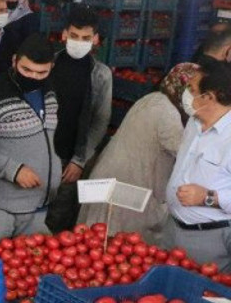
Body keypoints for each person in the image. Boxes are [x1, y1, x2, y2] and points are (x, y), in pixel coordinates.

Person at [79, 64, 194, 243]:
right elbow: (186, 153)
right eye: (193, 90)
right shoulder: (167, 113)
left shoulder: (152, 98)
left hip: (111, 179)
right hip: (129, 189)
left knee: (96, 241)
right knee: (117, 245)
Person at [0, 34, 60, 244]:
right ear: (14, 61)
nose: (34, 77)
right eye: (26, 70)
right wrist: (13, 170)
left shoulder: (49, 92)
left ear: (51, 67)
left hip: (38, 205)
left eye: (42, 72)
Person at [45, 5, 113, 233]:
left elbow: (100, 121)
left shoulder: (101, 74)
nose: (79, 41)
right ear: (64, 34)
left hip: (70, 160)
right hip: (41, 154)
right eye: (74, 36)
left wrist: (79, 160)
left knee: (59, 219)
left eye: (85, 37)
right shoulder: (48, 65)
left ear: (95, 39)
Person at [165, 61, 231, 272]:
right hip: (172, 227)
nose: (186, 94)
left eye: (192, 90)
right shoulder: (194, 123)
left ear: (209, 97)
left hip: (208, 238)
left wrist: (207, 197)